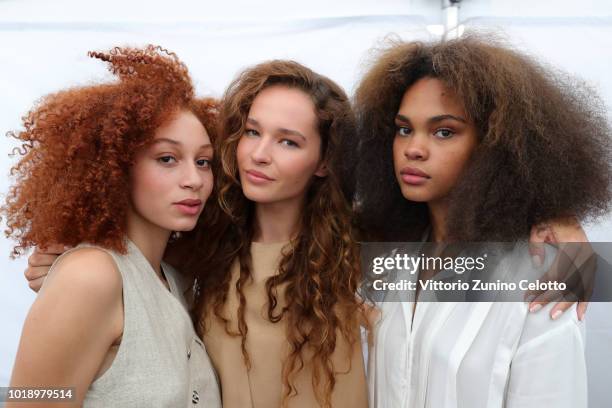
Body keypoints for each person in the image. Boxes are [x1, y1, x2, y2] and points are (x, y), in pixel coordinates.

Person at [351, 35, 611, 407]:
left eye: (444, 131)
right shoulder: (382, 262)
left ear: (494, 145)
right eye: (404, 128)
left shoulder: (543, 275)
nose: (413, 149)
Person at [3, 45, 222, 408]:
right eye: (167, 158)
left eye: (203, 161)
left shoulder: (173, 278)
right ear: (116, 167)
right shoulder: (91, 275)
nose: (193, 179)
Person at [173, 60, 368, 408]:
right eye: (252, 132)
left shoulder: (362, 258)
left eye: (288, 142)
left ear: (324, 162)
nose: (259, 155)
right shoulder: (202, 253)